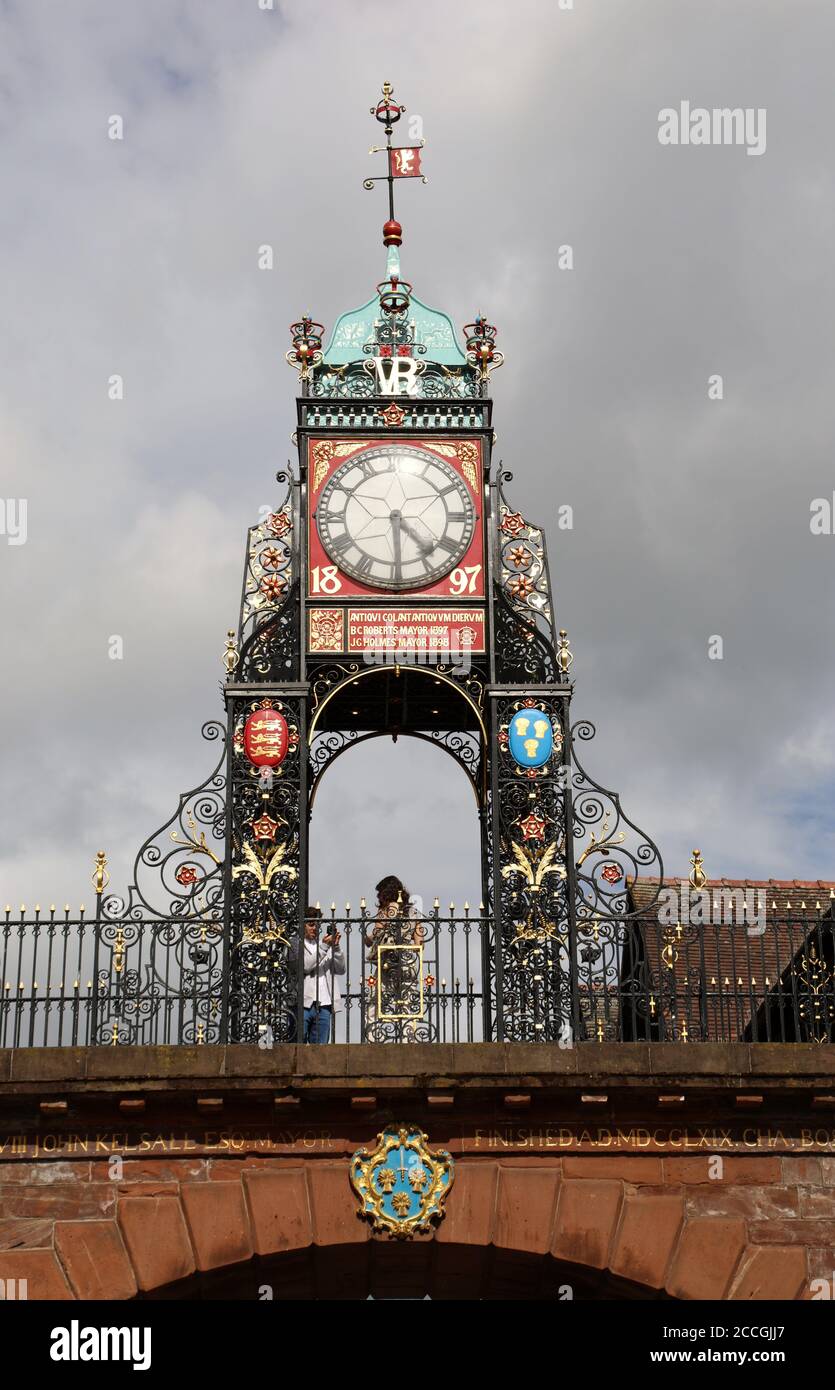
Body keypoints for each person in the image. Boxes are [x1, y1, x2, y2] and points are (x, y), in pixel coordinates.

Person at [363, 876, 426, 1041]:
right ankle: (408, 1041)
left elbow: (376, 935)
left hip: (387, 962)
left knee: (374, 1003)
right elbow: (420, 943)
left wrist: (366, 938)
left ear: (385, 893)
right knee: (407, 1005)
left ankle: (372, 1039)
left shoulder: (385, 910)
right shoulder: (413, 912)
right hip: (408, 963)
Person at [300, 906, 345, 1043]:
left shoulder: (323, 944)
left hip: (324, 1005)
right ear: (302, 925)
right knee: (298, 1045)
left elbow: (341, 969)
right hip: (304, 1004)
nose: (314, 928)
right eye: (311, 925)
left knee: (320, 1050)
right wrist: (324, 948)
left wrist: (336, 948)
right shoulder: (297, 944)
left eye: (317, 925)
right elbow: (305, 966)